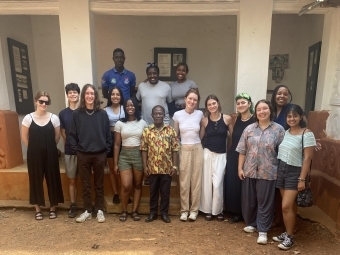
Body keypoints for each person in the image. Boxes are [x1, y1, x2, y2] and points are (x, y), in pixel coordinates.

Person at [236, 99, 285, 245]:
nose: (262, 112)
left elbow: (282, 152)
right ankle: (252, 223)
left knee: (265, 202)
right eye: (259, 110)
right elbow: (242, 150)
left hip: (268, 172)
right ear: (255, 112)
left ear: (270, 110)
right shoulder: (249, 129)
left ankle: (263, 230)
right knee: (249, 200)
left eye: (265, 109)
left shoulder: (279, 130)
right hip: (249, 170)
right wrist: (240, 168)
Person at [273, 104, 316, 250]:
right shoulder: (286, 132)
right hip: (282, 169)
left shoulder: (307, 134)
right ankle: (288, 231)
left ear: (301, 117)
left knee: (285, 206)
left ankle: (290, 238)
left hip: (295, 172)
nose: (292, 119)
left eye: (295, 116)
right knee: (290, 206)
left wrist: (302, 179)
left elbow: (307, 159)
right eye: (289, 116)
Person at [68, 84, 112, 223]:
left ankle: (99, 210)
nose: (89, 96)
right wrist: (77, 151)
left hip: (99, 154)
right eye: (87, 93)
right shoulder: (76, 114)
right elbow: (71, 135)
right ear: (83, 96)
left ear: (95, 96)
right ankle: (87, 210)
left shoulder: (102, 114)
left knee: (99, 184)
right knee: (85, 184)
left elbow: (108, 135)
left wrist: (106, 151)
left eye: (92, 93)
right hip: (83, 154)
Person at [21, 91, 64, 220]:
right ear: (36, 102)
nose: (44, 104)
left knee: (53, 178)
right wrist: (34, 148)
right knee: (35, 179)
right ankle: (38, 209)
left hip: (51, 154)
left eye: (46, 102)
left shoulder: (54, 118)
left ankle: (52, 208)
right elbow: (24, 137)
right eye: (41, 101)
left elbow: (57, 137)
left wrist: (49, 147)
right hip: (34, 155)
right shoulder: (28, 118)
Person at [141, 105, 180, 223]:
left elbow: (175, 149)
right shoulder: (147, 131)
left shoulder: (171, 130)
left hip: (166, 168)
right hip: (152, 168)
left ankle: (164, 213)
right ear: (152, 115)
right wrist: (145, 166)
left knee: (165, 192)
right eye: (156, 113)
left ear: (164, 115)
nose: (158, 115)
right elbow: (144, 149)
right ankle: (153, 213)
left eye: (160, 113)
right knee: (153, 192)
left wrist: (174, 166)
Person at [199, 95, 233, 221]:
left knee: (217, 183)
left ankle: (218, 210)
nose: (212, 106)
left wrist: (229, 152)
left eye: (214, 103)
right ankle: (207, 210)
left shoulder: (227, 118)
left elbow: (231, 137)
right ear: (207, 107)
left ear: (218, 103)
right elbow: (200, 138)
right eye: (209, 104)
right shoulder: (204, 121)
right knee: (207, 183)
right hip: (207, 153)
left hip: (221, 154)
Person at [114, 97, 148, 222]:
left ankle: (134, 211)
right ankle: (124, 210)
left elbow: (145, 144)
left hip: (138, 154)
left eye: (132, 105)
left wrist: (146, 163)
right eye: (127, 106)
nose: (130, 107)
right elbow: (117, 144)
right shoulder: (120, 124)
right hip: (124, 155)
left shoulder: (143, 123)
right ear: (124, 107)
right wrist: (116, 163)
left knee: (138, 185)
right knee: (126, 185)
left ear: (136, 107)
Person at [173, 88, 204, 221]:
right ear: (185, 99)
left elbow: (202, 131)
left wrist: (197, 143)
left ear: (197, 102)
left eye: (195, 100)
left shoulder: (200, 114)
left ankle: (194, 210)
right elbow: (175, 134)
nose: (192, 101)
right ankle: (184, 210)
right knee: (184, 181)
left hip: (197, 149)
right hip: (184, 149)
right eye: (190, 98)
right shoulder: (178, 114)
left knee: (196, 180)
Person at [224, 93, 255, 224]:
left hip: (248, 156)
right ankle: (234, 211)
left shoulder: (255, 120)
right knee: (232, 183)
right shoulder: (235, 119)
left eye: (243, 102)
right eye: (238, 103)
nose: (241, 105)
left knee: (246, 185)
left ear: (249, 104)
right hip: (234, 155)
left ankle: (246, 212)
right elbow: (231, 137)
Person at [59, 83, 80, 218]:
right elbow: (63, 133)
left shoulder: (84, 111)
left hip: (85, 151)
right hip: (70, 151)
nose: (73, 94)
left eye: (75, 92)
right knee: (72, 180)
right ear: (67, 95)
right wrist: (72, 146)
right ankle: (73, 205)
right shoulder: (63, 113)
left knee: (86, 180)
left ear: (79, 94)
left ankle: (89, 205)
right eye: (70, 92)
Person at [104, 86, 125, 205]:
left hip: (123, 139)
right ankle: (116, 193)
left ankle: (124, 192)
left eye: (118, 94)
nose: (115, 96)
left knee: (122, 168)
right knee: (112, 169)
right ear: (109, 96)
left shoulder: (125, 109)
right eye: (113, 94)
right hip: (110, 139)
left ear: (121, 96)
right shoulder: (104, 110)